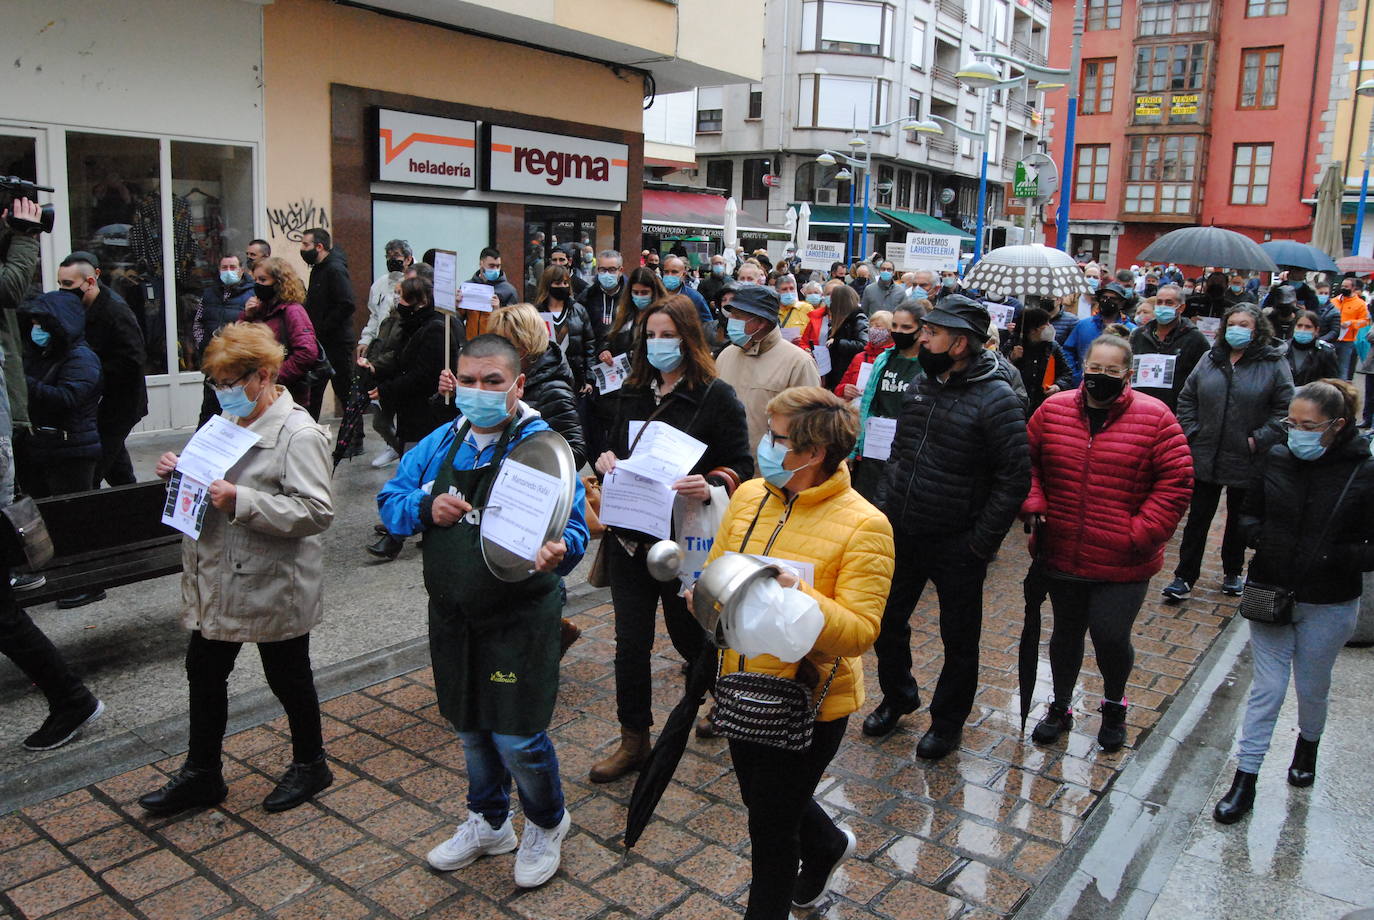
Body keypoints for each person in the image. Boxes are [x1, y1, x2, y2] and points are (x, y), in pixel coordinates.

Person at [379, 334, 587, 888]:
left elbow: (573, 529)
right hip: (452, 614)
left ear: (518, 385)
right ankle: (490, 820)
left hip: (518, 617)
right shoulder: (439, 443)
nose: (478, 392)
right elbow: (389, 502)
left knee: (516, 734)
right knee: (469, 725)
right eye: (468, 380)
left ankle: (547, 821)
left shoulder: (543, 450)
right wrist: (425, 506)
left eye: (492, 382)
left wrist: (558, 550)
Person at [701, 386, 894, 917]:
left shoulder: (866, 525)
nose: (765, 446)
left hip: (808, 700)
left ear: (813, 454)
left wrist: (797, 593)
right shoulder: (749, 496)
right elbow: (717, 578)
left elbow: (859, 632)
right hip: (741, 684)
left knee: (770, 827)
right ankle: (828, 842)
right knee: (763, 800)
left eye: (777, 438)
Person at [138, 322, 335, 816]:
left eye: (231, 382)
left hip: (273, 579)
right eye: (217, 383)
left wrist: (241, 500)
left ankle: (312, 763)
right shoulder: (227, 421)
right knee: (203, 670)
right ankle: (203, 773)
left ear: (264, 376)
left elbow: (317, 511)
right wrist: (179, 469)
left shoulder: (298, 432)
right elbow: (208, 478)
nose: (223, 392)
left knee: (287, 674)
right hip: (217, 573)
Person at [589, 295, 752, 782]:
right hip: (630, 537)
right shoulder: (634, 390)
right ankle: (633, 738)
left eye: (668, 334)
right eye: (651, 335)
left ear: (689, 338)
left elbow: (742, 465)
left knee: (691, 633)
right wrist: (605, 462)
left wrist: (714, 481)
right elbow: (613, 445)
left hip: (685, 541)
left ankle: (724, 696)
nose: (658, 344)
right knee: (629, 644)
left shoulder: (714, 395)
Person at [864, 296, 1030, 755]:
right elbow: (900, 454)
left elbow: (1014, 478)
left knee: (959, 638)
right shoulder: (921, 384)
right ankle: (899, 697)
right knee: (887, 621)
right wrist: (884, 509)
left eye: (932, 334)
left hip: (959, 541)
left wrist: (980, 543)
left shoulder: (997, 399)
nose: (923, 339)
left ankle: (947, 721)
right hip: (904, 530)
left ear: (959, 344)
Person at [1213, 380, 1374, 824]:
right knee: (1266, 689)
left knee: (1311, 684)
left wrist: (1334, 554)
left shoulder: (1363, 471)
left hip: (1329, 599)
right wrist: (1258, 536)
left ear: (1337, 426)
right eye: (1292, 423)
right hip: (1271, 590)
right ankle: (1245, 778)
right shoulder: (1276, 457)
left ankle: (1308, 743)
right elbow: (1248, 510)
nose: (1297, 432)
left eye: (1309, 425)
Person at [1022, 335, 1193, 751]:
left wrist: (1140, 532)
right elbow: (1027, 461)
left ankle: (1114, 704)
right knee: (1065, 634)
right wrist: (1033, 501)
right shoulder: (1054, 409)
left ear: (1127, 374)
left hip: (1124, 558)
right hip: (1062, 549)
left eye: (1111, 371)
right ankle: (1060, 705)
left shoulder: (1156, 418)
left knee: (1111, 636)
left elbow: (1177, 482)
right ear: (1084, 368)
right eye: (1094, 368)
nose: (1101, 377)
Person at [0, 197, 105, 750]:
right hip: (49, 453)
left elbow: (76, 397)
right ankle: (70, 698)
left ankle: (72, 699)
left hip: (73, 448)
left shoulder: (82, 355)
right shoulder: (47, 351)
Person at [1164, 304, 1293, 601]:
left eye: (1245, 324)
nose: (1237, 329)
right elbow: (1188, 396)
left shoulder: (1273, 363)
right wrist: (1193, 430)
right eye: (1232, 323)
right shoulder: (1211, 357)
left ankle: (1232, 571)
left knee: (1238, 518)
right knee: (1197, 518)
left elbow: (1285, 409)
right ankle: (1184, 576)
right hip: (1205, 451)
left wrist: (1258, 439)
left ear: (1257, 328)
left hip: (1247, 454)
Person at [363, 276, 458, 560]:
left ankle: (396, 535)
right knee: (415, 471)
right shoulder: (416, 326)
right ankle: (403, 521)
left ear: (420, 301)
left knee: (417, 472)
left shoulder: (435, 330)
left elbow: (422, 376)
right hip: (413, 413)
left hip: (426, 415)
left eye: (402, 297)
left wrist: (386, 390)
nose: (398, 303)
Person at [443, 303, 587, 467]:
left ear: (526, 344)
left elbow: (574, 452)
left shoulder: (553, 390)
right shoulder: (502, 376)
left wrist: (516, 464)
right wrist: (457, 395)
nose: (495, 352)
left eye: (505, 344)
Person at [54, 253, 148, 487]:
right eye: (60, 284)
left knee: (94, 469)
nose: (63, 290)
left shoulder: (116, 312)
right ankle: (135, 508)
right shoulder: (81, 307)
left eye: (69, 284)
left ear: (91, 280)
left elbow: (132, 362)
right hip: (100, 404)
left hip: (118, 405)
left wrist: (88, 375)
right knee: (117, 468)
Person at [716, 285, 822, 463]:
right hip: (725, 471)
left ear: (761, 322)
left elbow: (810, 428)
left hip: (768, 475)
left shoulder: (798, 363)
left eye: (738, 317)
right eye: (731, 315)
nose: (731, 321)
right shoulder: (726, 355)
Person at [17, 291, 103, 499]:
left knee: (71, 518)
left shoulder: (81, 358)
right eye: (34, 323)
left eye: (41, 323)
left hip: (71, 452)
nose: (36, 329)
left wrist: (21, 383)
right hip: (42, 449)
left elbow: (67, 398)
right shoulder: (43, 354)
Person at [849, 303, 924, 500]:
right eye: (895, 326)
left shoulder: (927, 365)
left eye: (906, 328)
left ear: (921, 329)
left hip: (907, 451)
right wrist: (856, 448)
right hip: (875, 447)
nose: (899, 332)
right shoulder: (884, 359)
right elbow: (867, 404)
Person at [243, 257, 322, 406]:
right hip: (263, 392)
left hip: (288, 394)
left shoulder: (292, 311)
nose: (258, 285)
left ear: (278, 282)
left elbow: (307, 353)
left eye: (263, 280)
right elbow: (240, 341)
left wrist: (274, 377)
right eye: (255, 280)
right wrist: (247, 316)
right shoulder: (261, 309)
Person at [299, 228, 356, 422]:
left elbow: (346, 303)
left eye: (306, 244)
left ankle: (354, 438)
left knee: (345, 391)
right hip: (320, 342)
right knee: (313, 391)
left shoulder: (334, 269)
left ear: (319, 246)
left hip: (336, 343)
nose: (302, 249)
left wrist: (323, 327)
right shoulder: (318, 268)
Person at [193, 254, 255, 426]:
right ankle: (202, 445)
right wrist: (204, 346)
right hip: (214, 359)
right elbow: (198, 323)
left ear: (241, 270)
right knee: (209, 407)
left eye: (232, 267)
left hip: (238, 360)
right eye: (224, 268)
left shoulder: (252, 294)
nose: (228, 271)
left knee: (245, 406)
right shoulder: (209, 294)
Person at [1127, 283, 1209, 413]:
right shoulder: (1138, 335)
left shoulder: (1195, 339)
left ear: (1181, 307)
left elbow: (1201, 381)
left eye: (1169, 303)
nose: (1163, 306)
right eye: (1159, 302)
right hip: (1138, 409)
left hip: (1174, 411)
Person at [534, 266, 597, 395]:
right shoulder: (536, 313)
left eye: (565, 283)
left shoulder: (579, 311)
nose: (562, 286)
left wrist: (589, 378)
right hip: (545, 378)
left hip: (576, 379)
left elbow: (589, 346)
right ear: (548, 285)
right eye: (557, 283)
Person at [800, 283, 869, 391]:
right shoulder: (839, 318)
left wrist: (837, 343)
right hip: (831, 370)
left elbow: (863, 344)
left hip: (846, 370)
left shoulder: (857, 318)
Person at [1064, 283, 1134, 381]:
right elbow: (1068, 351)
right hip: (1083, 381)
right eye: (1104, 297)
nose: (1107, 301)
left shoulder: (1130, 330)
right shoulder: (1083, 325)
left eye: (1113, 299)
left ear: (1121, 303)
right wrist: (1075, 375)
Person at [1011, 307, 1074, 415]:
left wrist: (1058, 386)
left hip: (1043, 405)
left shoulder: (1053, 347)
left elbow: (1066, 373)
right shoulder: (1014, 344)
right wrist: (1011, 358)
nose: (1050, 327)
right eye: (1046, 324)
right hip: (1016, 405)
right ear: (1033, 330)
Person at [599, 267, 667, 363]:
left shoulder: (663, 316)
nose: (639, 296)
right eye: (635, 292)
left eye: (644, 292)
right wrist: (605, 350)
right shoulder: (623, 313)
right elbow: (609, 337)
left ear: (654, 292)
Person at [834, 310, 895, 400]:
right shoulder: (859, 357)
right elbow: (840, 387)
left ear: (889, 331)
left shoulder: (894, 358)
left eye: (877, 326)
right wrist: (844, 389)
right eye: (871, 326)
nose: (872, 329)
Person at [1286, 310, 1340, 388]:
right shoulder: (1283, 349)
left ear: (1316, 330)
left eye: (1308, 327)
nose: (1303, 330)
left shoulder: (1326, 353)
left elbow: (1332, 383)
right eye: (1299, 325)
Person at [660, 255, 714, 332]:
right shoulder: (656, 295)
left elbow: (708, 326)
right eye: (666, 272)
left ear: (683, 275)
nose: (669, 275)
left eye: (674, 272)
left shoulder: (695, 297)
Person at [1331, 278, 1370, 379]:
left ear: (1353, 288)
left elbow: (1365, 321)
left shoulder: (1360, 304)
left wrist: (1351, 323)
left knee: (1343, 369)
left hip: (1347, 341)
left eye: (1346, 287)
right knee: (1329, 367)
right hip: (1332, 337)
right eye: (1342, 286)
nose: (1343, 288)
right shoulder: (1334, 301)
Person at [580, 249, 624, 338]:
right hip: (594, 350)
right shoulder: (587, 296)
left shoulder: (629, 296)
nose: (607, 274)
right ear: (597, 270)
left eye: (612, 269)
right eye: (603, 269)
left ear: (620, 271)